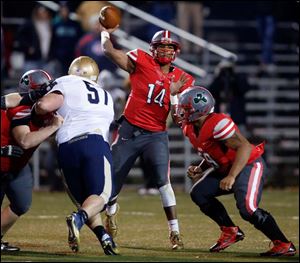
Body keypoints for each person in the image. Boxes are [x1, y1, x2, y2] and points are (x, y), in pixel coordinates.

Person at [100, 23, 195, 249]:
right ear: (152, 49)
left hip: (156, 134)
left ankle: (175, 232)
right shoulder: (141, 60)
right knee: (112, 182)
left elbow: (180, 116)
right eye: (161, 47)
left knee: (164, 182)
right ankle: (111, 215)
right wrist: (105, 32)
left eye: (169, 47)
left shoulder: (184, 79)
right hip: (129, 130)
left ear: (176, 51)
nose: (165, 51)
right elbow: (109, 52)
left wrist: (174, 98)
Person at [174, 86, 296, 256]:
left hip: (249, 164)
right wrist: (201, 167)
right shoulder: (190, 128)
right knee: (199, 193)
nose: (180, 112)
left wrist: (232, 176)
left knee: (248, 208)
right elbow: (213, 152)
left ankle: (283, 244)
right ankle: (230, 231)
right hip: (227, 167)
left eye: (185, 108)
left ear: (199, 110)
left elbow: (244, 147)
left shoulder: (218, 123)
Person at [35, 56, 119, 255]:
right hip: (94, 143)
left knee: (86, 202)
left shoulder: (65, 81)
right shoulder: (105, 95)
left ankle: (103, 237)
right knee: (101, 196)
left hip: (66, 147)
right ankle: (78, 219)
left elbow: (43, 106)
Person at [1, 69, 63, 252]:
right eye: (45, 90)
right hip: (2, 163)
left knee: (21, 203)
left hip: (17, 166)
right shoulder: (20, 109)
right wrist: (54, 127)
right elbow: (26, 141)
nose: (50, 93)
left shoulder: (35, 105)